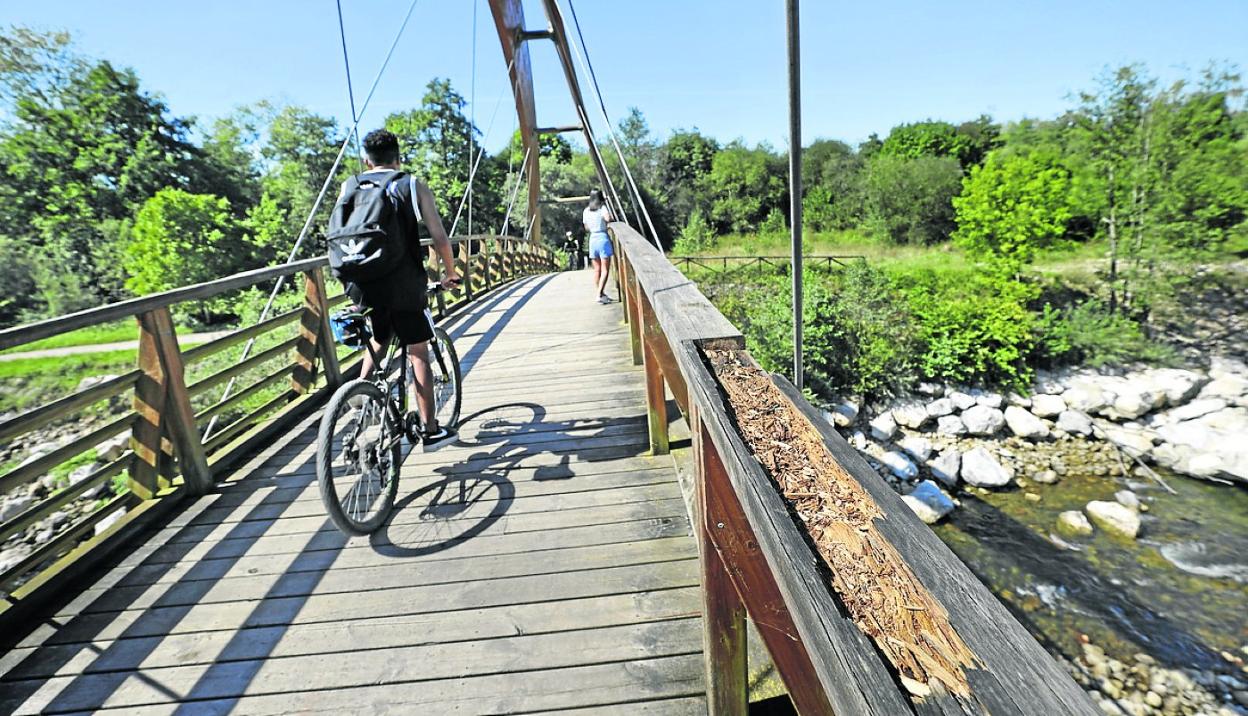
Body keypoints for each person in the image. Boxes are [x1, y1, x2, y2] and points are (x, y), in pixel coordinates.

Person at [336, 129, 461, 447]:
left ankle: (360, 393)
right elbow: (439, 237)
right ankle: (430, 430)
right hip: (403, 283)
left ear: (366, 160)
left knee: (380, 334)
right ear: (398, 156)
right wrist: (450, 272)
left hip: (359, 282)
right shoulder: (412, 184)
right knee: (418, 352)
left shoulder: (350, 185)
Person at [582, 189, 615, 303]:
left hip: (593, 239)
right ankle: (599, 295)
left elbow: (586, 227)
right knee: (605, 270)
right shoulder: (602, 208)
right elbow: (607, 219)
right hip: (602, 238)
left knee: (597, 270)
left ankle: (601, 293)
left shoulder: (586, 211)